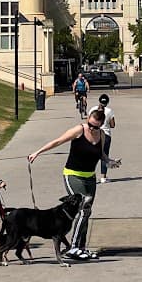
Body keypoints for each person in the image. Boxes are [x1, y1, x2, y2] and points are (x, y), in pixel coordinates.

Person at [28, 107, 107, 262]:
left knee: (87, 212)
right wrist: (37, 152)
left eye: (95, 126)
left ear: (101, 125)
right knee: (83, 211)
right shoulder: (79, 130)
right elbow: (57, 141)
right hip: (72, 175)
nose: (91, 128)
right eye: (89, 124)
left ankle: (81, 248)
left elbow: (101, 154)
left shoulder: (101, 135)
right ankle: (73, 247)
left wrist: (109, 161)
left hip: (90, 178)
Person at [96, 91, 121, 183]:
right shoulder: (109, 111)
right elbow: (113, 125)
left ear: (99, 101)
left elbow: (88, 122)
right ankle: (103, 177)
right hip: (106, 135)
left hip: (94, 135)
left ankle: (88, 177)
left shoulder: (93, 109)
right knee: (105, 155)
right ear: (107, 102)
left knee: (92, 156)